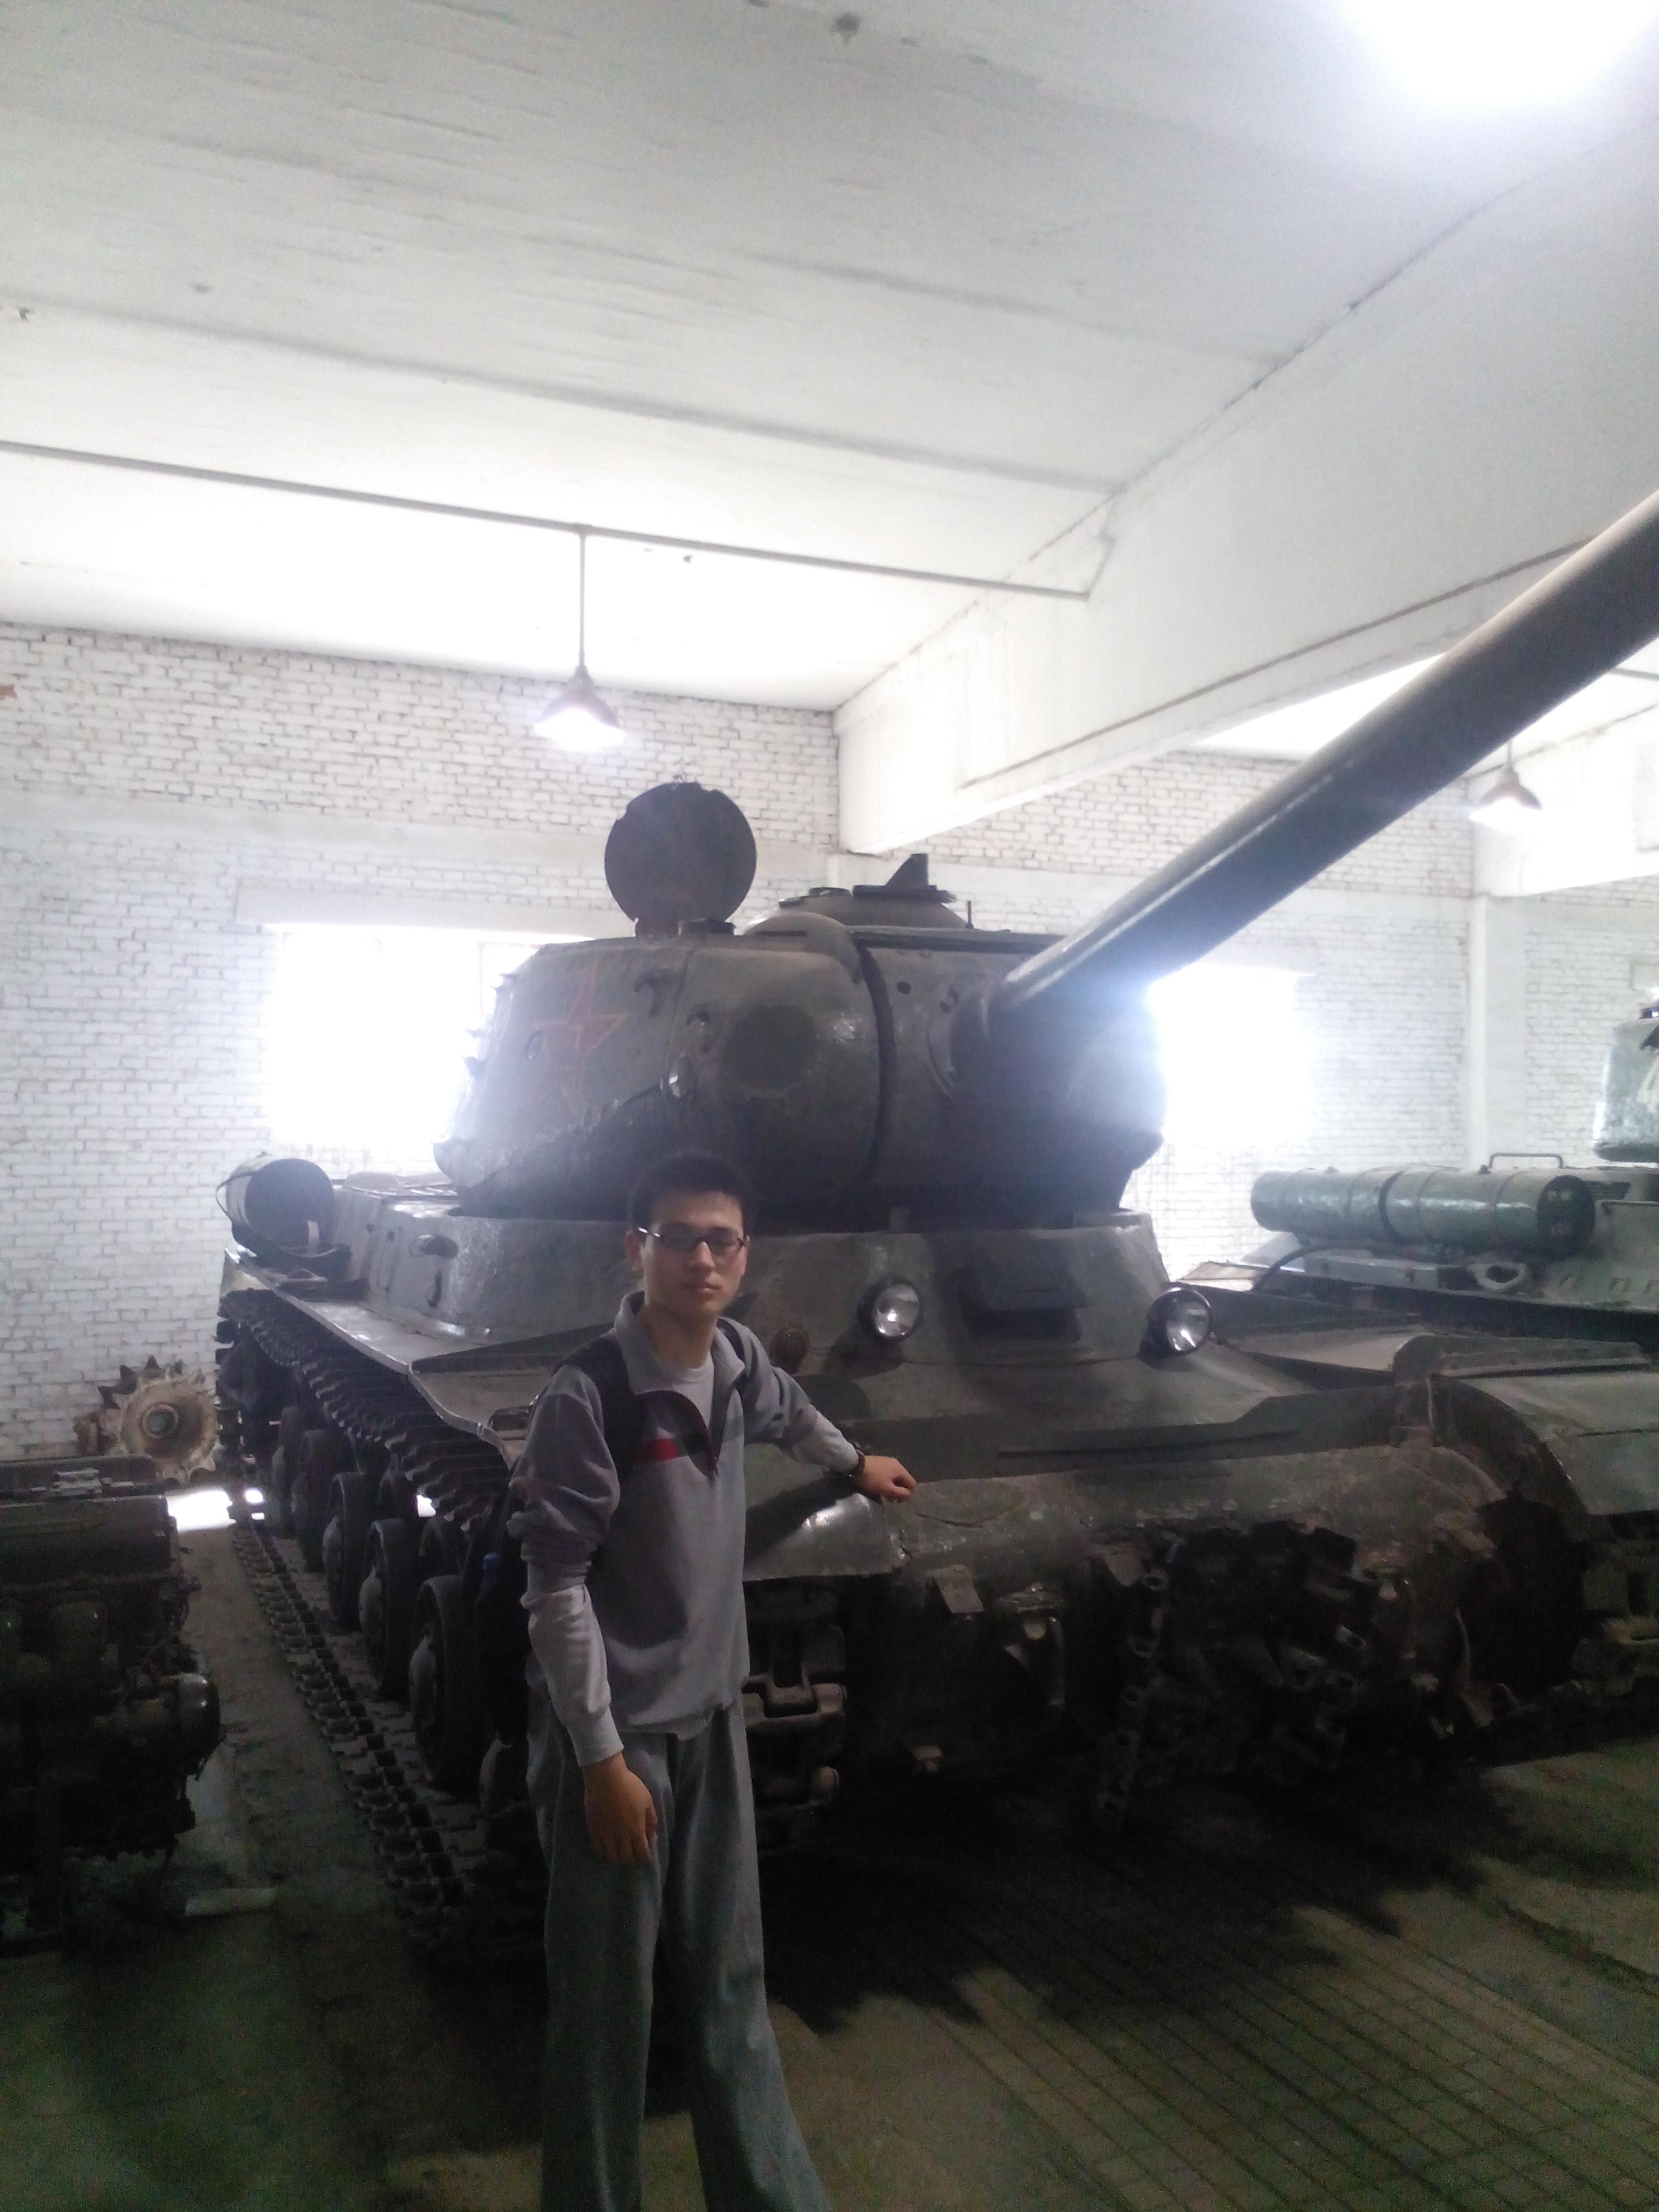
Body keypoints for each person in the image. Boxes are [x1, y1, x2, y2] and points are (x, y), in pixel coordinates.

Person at [509, 1150, 915, 2212]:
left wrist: (854, 1462)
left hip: (713, 1722)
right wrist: (601, 1760)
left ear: (744, 1255)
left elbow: (789, 1410)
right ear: (636, 1249)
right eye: (679, 1237)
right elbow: (555, 1591)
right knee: (607, 2009)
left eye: (721, 1240)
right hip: (622, 1746)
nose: (702, 1258)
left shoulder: (735, 1359)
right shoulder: (590, 1396)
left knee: (733, 1986)